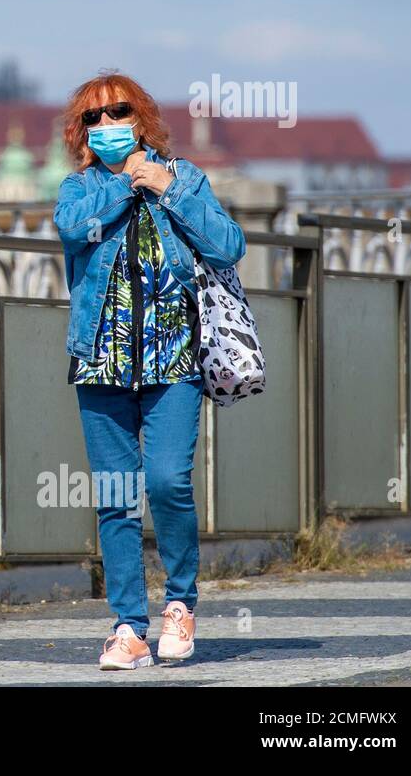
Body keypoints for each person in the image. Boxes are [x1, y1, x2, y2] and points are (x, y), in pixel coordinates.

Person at [53, 71, 245, 670]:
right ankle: (128, 626)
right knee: (115, 498)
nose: (107, 126)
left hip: (173, 361)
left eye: (118, 113)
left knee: (166, 483)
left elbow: (228, 245)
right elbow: (71, 228)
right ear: (81, 132)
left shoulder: (182, 179)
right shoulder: (78, 189)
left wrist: (167, 185)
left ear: (143, 119)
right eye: (94, 118)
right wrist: (126, 185)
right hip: (102, 364)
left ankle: (180, 605)